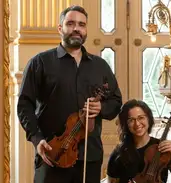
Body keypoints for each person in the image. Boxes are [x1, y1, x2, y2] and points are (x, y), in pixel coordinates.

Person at [17, 5, 122, 183]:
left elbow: (116, 102)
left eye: (81, 25)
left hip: (89, 155)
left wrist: (101, 107)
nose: (76, 29)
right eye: (71, 23)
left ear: (86, 30)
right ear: (60, 28)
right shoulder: (40, 62)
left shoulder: (100, 66)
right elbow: (24, 105)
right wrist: (37, 138)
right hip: (52, 153)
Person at [106, 99, 171, 183]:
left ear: (148, 119)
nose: (137, 124)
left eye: (141, 118)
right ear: (126, 124)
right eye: (131, 120)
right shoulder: (119, 153)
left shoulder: (161, 148)